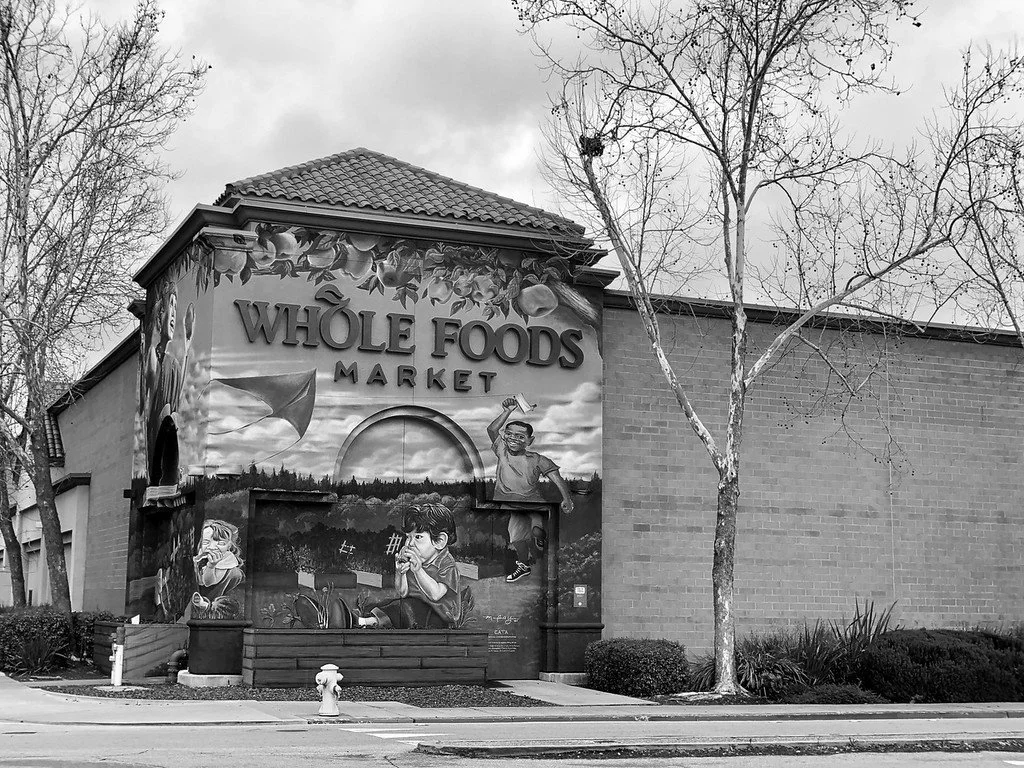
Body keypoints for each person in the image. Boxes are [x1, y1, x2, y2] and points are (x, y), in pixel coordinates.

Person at [487, 396, 574, 583]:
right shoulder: (501, 450)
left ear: (529, 440)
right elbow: (492, 429)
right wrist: (507, 411)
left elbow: (555, 477)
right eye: (509, 434)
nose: (513, 439)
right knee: (517, 538)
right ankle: (524, 566)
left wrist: (567, 499)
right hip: (510, 504)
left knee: (536, 530)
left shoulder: (536, 459)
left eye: (520, 436)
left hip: (533, 502)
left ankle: (539, 540)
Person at [356, 503, 462, 629]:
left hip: (439, 616)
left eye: (418, 537)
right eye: (408, 537)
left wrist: (418, 571)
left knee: (404, 607)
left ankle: (363, 622)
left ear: (439, 541)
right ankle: (368, 621)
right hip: (416, 609)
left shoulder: (447, 564)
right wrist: (400, 573)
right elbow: (402, 592)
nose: (410, 543)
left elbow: (435, 594)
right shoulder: (416, 560)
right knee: (394, 604)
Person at [191, 519, 245, 619]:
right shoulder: (199, 557)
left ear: (229, 546)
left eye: (220, 543)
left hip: (218, 605)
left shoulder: (229, 566)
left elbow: (208, 582)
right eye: (206, 542)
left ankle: (206, 606)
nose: (212, 547)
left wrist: (211, 565)